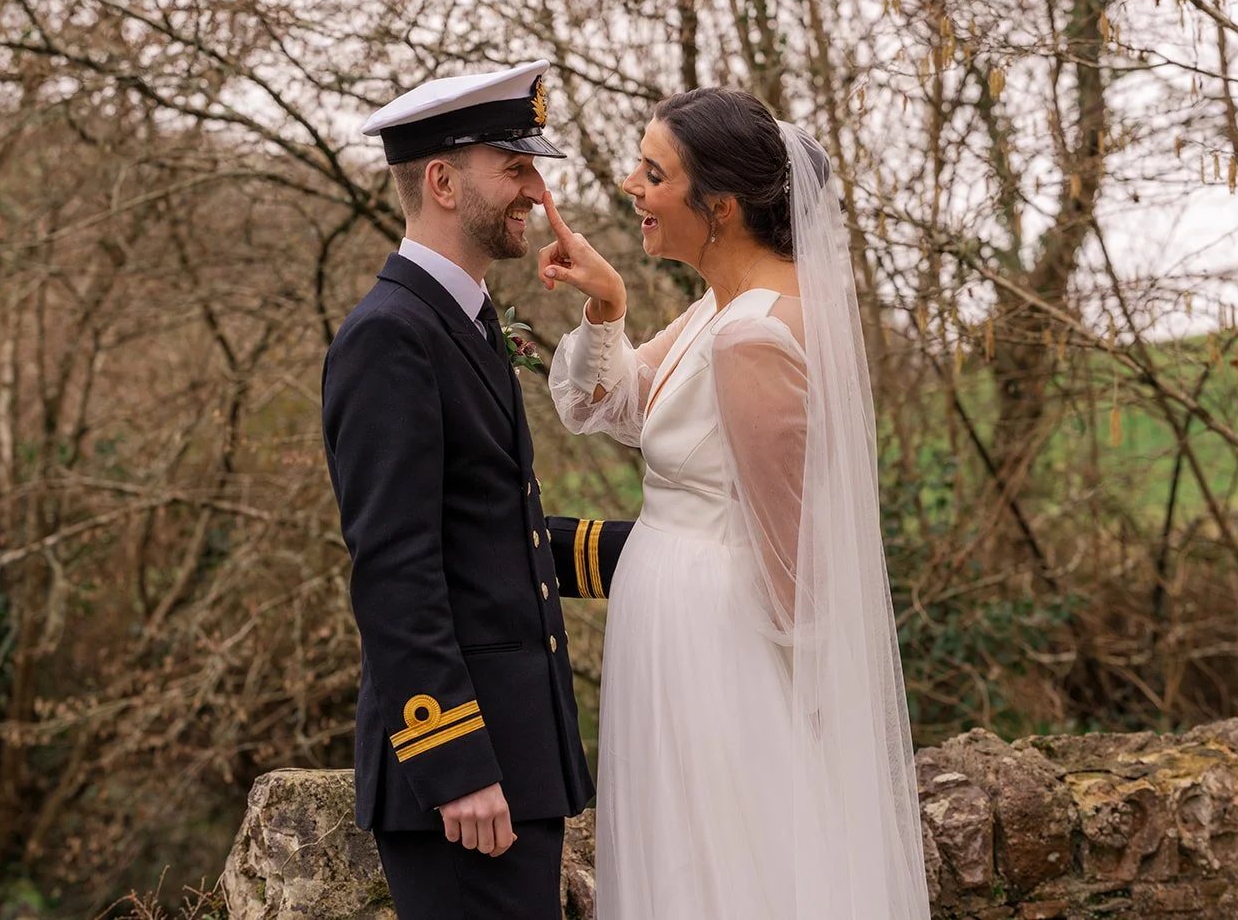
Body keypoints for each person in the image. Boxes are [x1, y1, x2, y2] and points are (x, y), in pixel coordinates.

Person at [539, 87, 932, 918]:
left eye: (653, 174)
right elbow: (603, 405)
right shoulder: (721, 312)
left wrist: (797, 710)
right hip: (681, 626)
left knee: (720, 870)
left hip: (716, 646)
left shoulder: (754, 335)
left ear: (717, 206)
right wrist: (607, 305)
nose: (631, 188)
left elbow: (791, 550)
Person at [322, 60, 600, 919]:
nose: (535, 190)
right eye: (514, 167)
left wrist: (669, 545)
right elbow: (395, 567)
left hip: (515, 764)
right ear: (442, 180)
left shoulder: (464, 320)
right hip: (466, 785)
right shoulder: (389, 336)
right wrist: (456, 762)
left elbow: (492, 534)